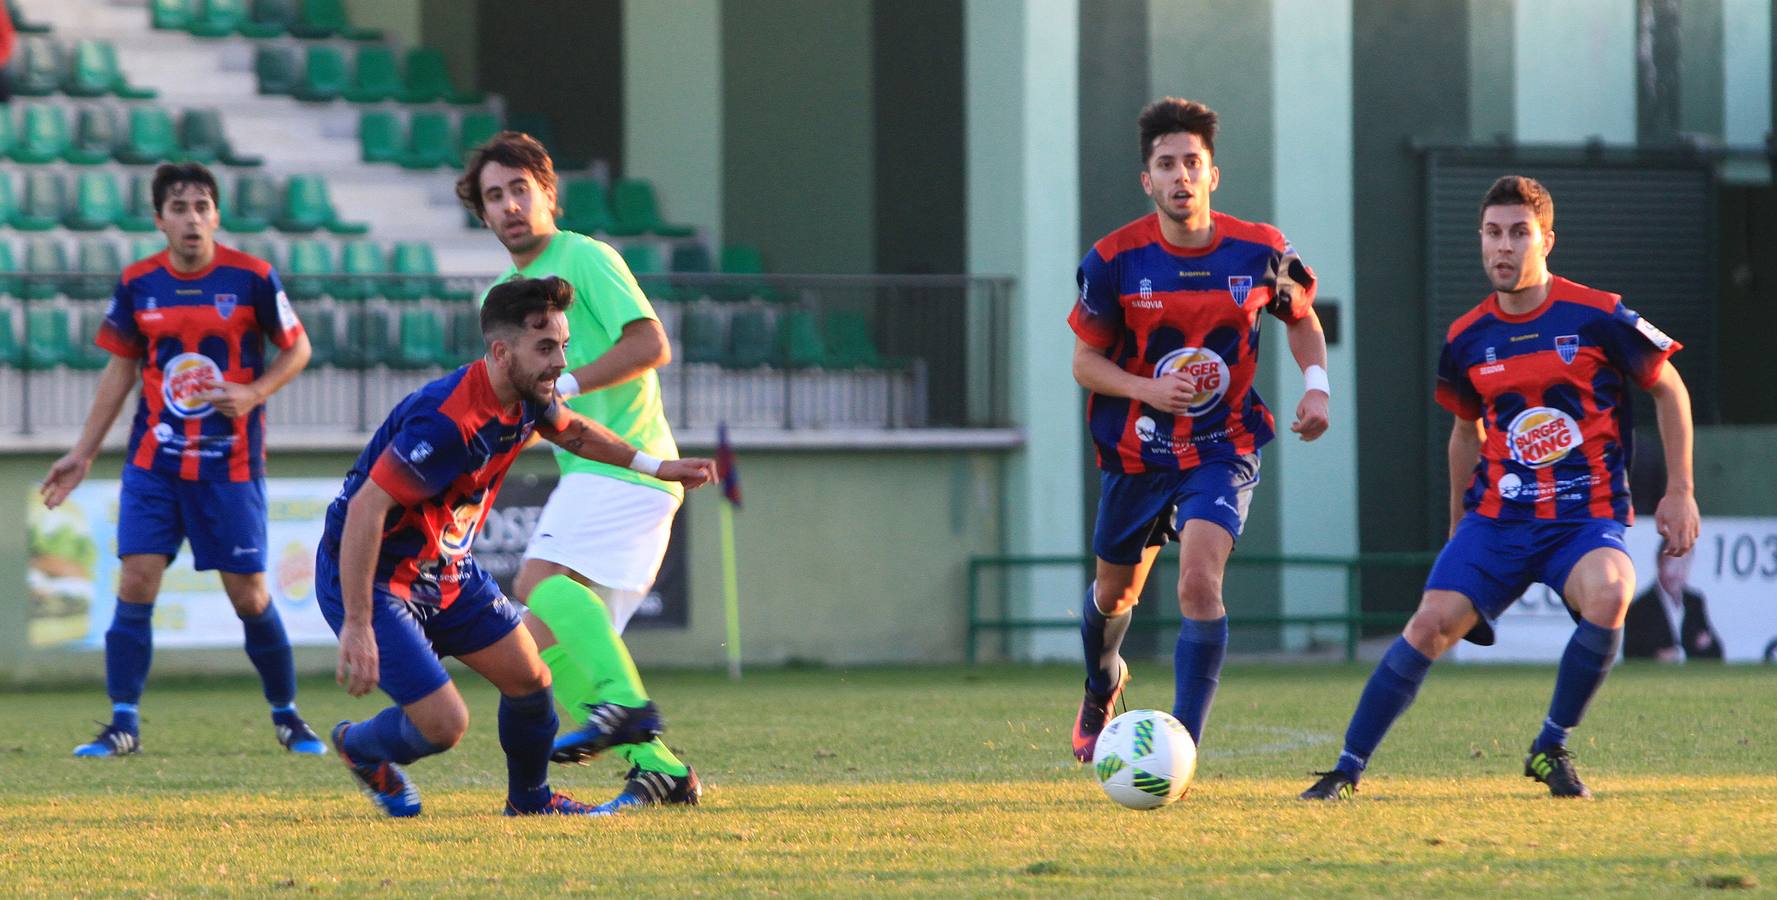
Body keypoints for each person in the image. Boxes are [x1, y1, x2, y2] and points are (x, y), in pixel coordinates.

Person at [1300, 175, 1700, 801]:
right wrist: (1461, 527)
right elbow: (1466, 432)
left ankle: (1551, 745)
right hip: (1498, 520)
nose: (1503, 247)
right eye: (1492, 233)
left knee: (1613, 592)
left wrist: (1680, 491)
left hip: (1584, 516)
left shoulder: (1598, 313)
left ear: (1547, 241)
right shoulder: (1466, 336)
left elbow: (1668, 386)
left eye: (1519, 233)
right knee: (1430, 623)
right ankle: (1346, 769)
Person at [319, 275, 716, 818]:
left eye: (564, 346)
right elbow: (366, 508)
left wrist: (657, 466)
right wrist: (358, 623)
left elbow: (574, 431)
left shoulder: (529, 396)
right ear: (503, 353)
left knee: (531, 680)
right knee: (444, 726)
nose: (560, 362)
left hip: (448, 571)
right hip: (378, 577)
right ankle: (360, 747)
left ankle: (529, 801)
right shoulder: (446, 420)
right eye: (546, 347)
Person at [1068, 98, 1331, 762]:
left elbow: (1299, 316)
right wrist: (1147, 389)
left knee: (1196, 581)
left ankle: (1178, 745)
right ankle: (1101, 684)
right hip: (1135, 451)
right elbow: (1085, 362)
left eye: (1192, 162)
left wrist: (1316, 387)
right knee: (1114, 593)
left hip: (1223, 446)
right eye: (1166, 165)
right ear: (1146, 181)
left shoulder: (1261, 249)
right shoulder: (1112, 260)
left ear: (1213, 175)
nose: (1180, 176)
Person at [456, 132, 701, 812]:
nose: (509, 205)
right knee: (535, 649)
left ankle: (626, 710)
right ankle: (659, 772)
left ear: (547, 192)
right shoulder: (505, 294)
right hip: (595, 473)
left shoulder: (585, 256)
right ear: (482, 214)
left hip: (629, 464)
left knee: (537, 584)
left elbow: (652, 343)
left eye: (519, 190)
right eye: (494, 196)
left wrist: (570, 383)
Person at [41, 163, 321, 758]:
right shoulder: (139, 282)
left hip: (231, 465)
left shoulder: (252, 277)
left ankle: (288, 716)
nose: (191, 218)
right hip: (155, 463)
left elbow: (297, 348)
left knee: (249, 595)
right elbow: (121, 367)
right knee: (137, 579)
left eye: (201, 206)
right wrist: (83, 451)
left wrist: (253, 393)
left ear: (216, 215)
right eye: (179, 207)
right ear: (160, 219)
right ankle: (122, 724)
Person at [1624, 538, 1721, 661]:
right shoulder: (1640, 607)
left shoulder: (1694, 602)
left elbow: (1716, 652)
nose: (1678, 572)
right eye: (1672, 563)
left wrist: (1705, 644)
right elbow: (1631, 655)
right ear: (1659, 562)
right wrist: (1656, 657)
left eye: (1684, 564)